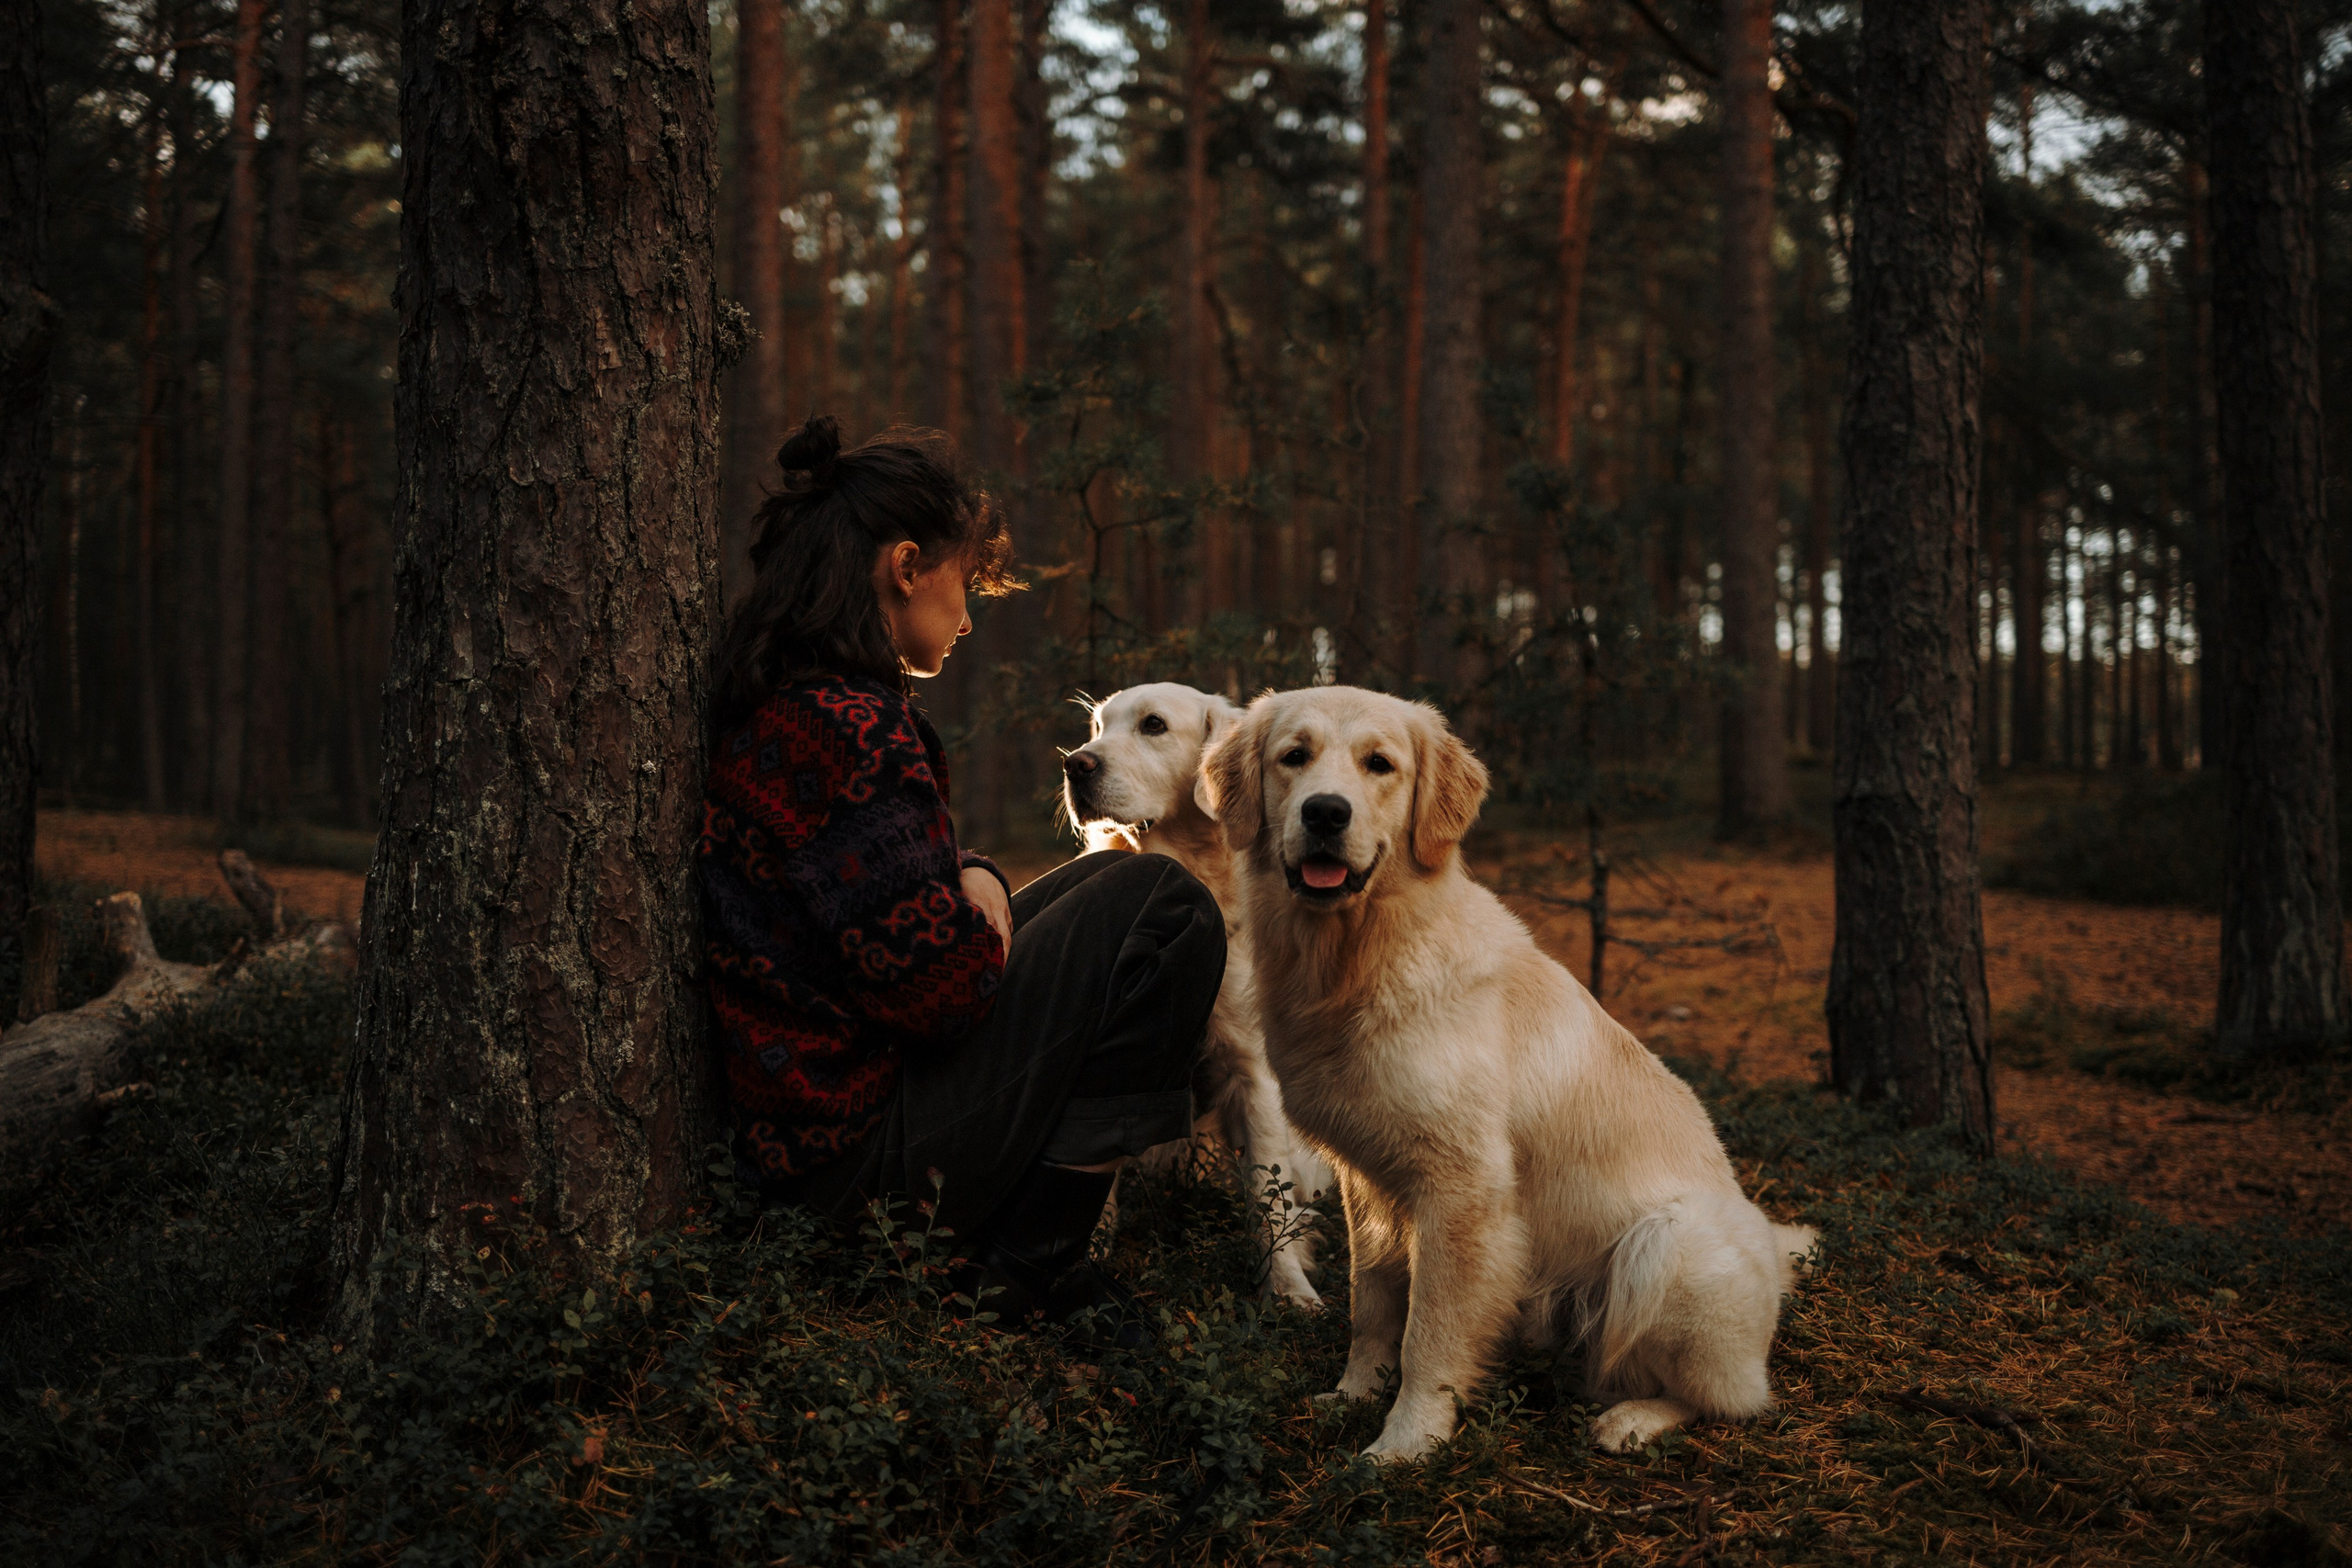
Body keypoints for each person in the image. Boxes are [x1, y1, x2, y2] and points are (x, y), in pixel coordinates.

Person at [699, 415, 1225, 1348]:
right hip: (854, 1169)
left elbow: (878, 882)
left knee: (1111, 881)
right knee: (1168, 908)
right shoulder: (854, 724)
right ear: (906, 567)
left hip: (812, 1146)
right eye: (966, 586)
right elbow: (942, 999)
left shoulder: (798, 704)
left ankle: (1025, 1247)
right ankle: (1025, 1273)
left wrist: (974, 872)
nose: (969, 617)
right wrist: (982, 908)